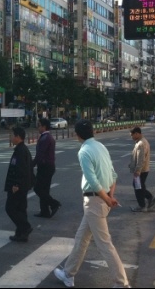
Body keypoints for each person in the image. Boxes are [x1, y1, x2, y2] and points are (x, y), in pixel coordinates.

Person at [54, 119, 130, 288]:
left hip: (95, 201)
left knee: (104, 244)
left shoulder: (84, 151)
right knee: (81, 238)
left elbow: (94, 182)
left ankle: (121, 283)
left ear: (78, 134)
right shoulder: (101, 147)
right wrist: (110, 196)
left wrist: (107, 199)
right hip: (101, 200)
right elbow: (113, 175)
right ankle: (68, 274)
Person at [4, 127, 34, 243]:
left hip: (18, 186)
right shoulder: (21, 149)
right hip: (23, 185)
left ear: (17, 137)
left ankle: (25, 227)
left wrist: (16, 184)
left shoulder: (21, 151)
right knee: (21, 209)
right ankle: (21, 234)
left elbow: (21, 169)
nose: (11, 138)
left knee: (10, 208)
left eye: (12, 135)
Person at [33, 118, 61, 218]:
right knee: (44, 189)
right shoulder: (46, 137)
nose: (38, 127)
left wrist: (31, 165)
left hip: (45, 167)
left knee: (37, 188)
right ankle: (45, 211)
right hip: (47, 166)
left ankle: (54, 204)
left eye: (39, 125)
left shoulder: (45, 138)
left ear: (44, 126)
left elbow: (40, 154)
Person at [129, 126, 155, 212]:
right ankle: (149, 197)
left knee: (138, 188)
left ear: (137, 133)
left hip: (141, 170)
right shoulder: (141, 142)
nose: (131, 137)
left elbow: (141, 159)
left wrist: (137, 170)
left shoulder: (141, 143)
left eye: (132, 135)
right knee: (140, 186)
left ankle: (142, 206)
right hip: (143, 169)